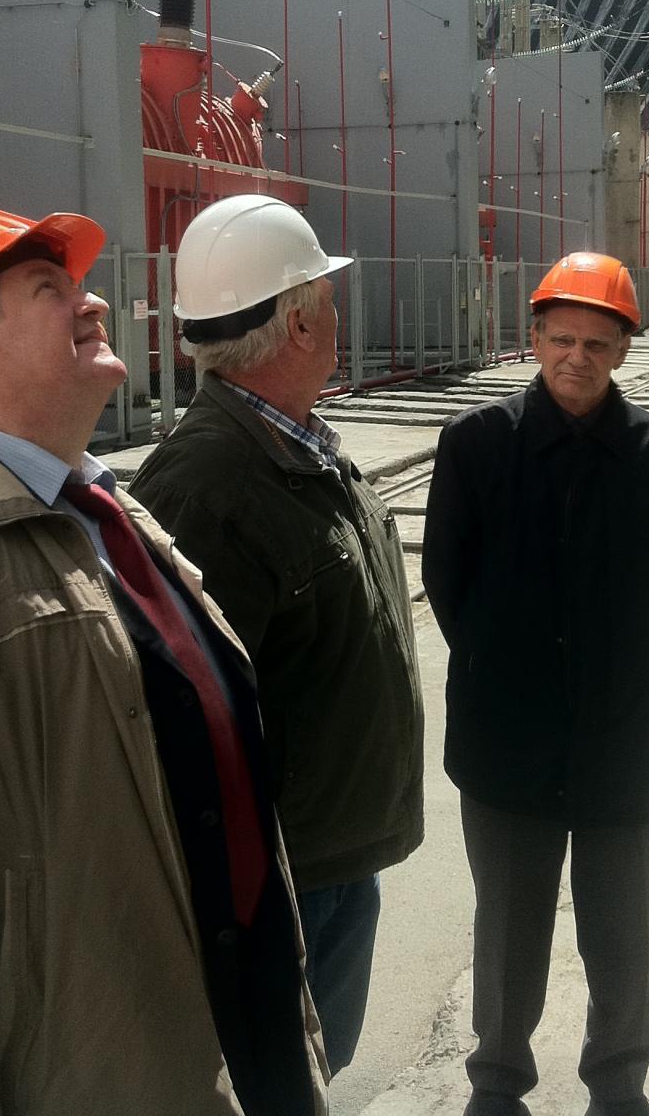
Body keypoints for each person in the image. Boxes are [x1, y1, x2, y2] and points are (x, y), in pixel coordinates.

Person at [0, 208, 327, 1116]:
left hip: (248, 1026)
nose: (94, 303)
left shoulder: (112, 512)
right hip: (97, 1073)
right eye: (50, 290)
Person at [129, 194, 424, 1075]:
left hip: (329, 859)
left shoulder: (290, 444)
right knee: (282, 1084)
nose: (336, 316)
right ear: (297, 324)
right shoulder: (206, 487)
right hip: (285, 884)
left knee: (314, 1074)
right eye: (326, 300)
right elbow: (180, 724)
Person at [422, 251, 649, 1116]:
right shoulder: (475, 446)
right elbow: (446, 583)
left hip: (625, 734)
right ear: (534, 338)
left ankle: (618, 1083)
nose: (576, 357)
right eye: (561, 338)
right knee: (509, 925)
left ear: (623, 349)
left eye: (596, 343)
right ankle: (497, 1080)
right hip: (506, 735)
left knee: (624, 925)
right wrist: (511, 670)